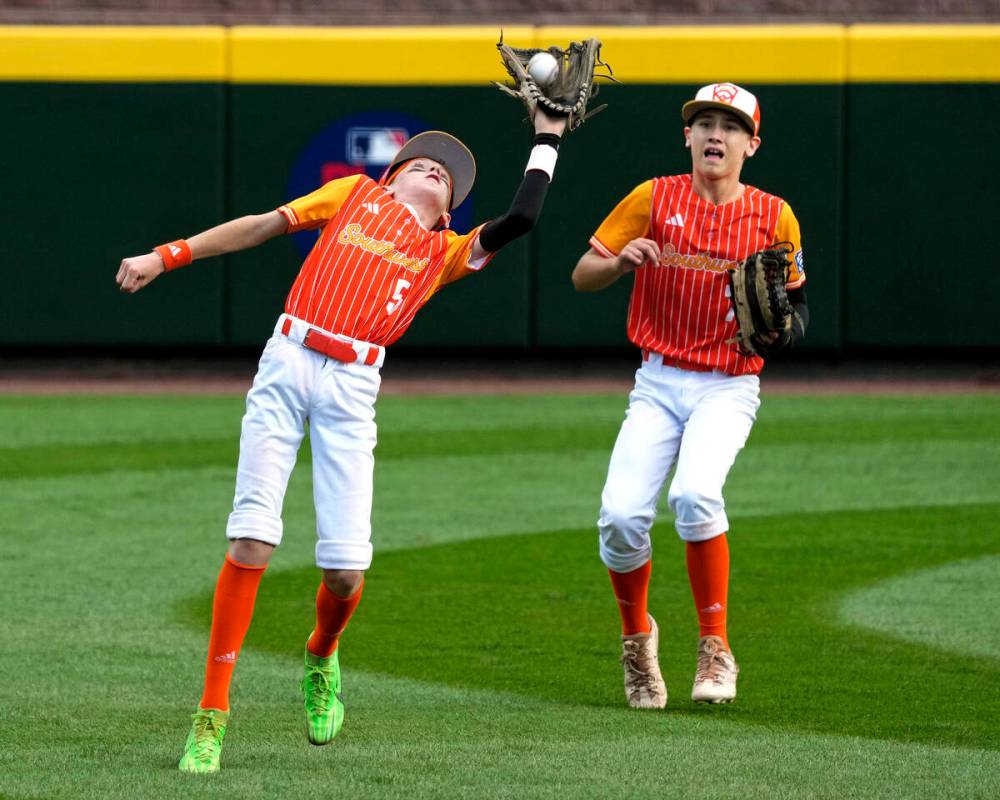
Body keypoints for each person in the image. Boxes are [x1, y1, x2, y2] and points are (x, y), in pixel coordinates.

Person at [117, 108, 568, 773]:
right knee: (251, 538)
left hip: (354, 387)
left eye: (446, 175)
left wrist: (548, 137)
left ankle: (322, 651)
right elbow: (261, 226)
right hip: (288, 359)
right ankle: (210, 717)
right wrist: (168, 254)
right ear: (389, 178)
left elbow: (522, 220)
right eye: (420, 161)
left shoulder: (443, 252)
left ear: (449, 212)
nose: (432, 169)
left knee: (345, 573)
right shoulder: (354, 196)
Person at [571, 83, 808, 710]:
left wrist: (783, 327)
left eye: (730, 127)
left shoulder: (774, 214)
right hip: (657, 381)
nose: (715, 135)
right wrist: (621, 262)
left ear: (751, 144)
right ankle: (636, 643)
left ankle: (715, 644)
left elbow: (796, 310)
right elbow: (582, 274)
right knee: (621, 518)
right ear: (687, 136)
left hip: (729, 383)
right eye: (704, 122)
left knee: (696, 494)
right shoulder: (653, 198)